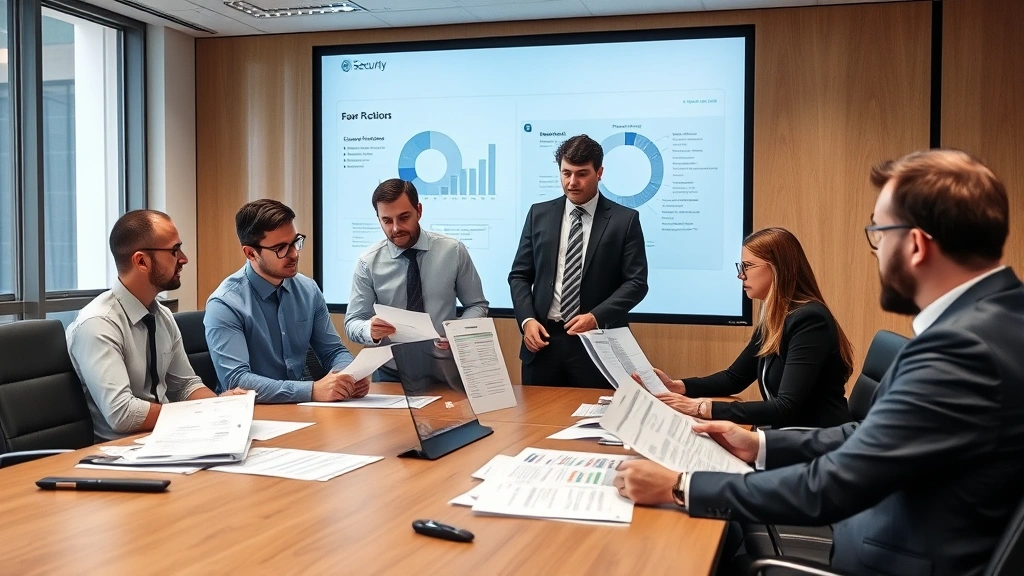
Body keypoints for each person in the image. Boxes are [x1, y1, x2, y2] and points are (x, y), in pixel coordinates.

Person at [614, 149, 1024, 576]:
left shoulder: (961, 350)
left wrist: (683, 487)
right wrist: (761, 445)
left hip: (888, 558)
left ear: (916, 245)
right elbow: (869, 435)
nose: (876, 252)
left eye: (879, 235)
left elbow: (834, 485)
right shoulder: (997, 322)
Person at [640, 227, 854, 428]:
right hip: (790, 433)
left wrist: (700, 407)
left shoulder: (809, 320)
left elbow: (785, 407)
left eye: (747, 266)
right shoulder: (776, 317)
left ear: (778, 267)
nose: (740, 275)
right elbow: (734, 378)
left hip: (818, 441)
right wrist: (679, 386)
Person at [67, 210, 247, 441]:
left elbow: (185, 386)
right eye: (174, 250)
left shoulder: (161, 315)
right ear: (141, 261)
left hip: (169, 438)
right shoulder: (98, 324)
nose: (184, 258)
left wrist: (221, 408)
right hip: (120, 454)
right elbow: (122, 414)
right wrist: (198, 415)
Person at [509, 134, 648, 388]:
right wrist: (527, 320)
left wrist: (595, 317)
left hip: (596, 343)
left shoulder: (624, 220)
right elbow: (519, 275)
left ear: (599, 172)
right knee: (536, 424)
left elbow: (636, 283)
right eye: (566, 173)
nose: (572, 182)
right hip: (543, 343)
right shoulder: (538, 214)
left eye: (582, 173)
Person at [205, 199, 368, 403]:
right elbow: (236, 380)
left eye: (295, 242)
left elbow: (333, 351)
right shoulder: (224, 304)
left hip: (299, 410)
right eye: (281, 248)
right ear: (250, 253)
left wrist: (347, 376)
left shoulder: (308, 289)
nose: (294, 254)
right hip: (251, 414)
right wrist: (311, 390)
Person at [345, 178, 488, 383]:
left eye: (404, 217)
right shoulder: (367, 263)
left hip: (446, 369)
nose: (395, 228)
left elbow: (477, 304)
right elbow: (352, 322)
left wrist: (457, 333)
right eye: (387, 220)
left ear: (419, 211)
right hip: (390, 374)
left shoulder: (453, 251)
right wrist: (369, 330)